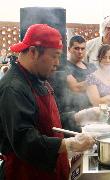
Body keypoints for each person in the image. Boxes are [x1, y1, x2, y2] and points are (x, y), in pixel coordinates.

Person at [0, 24, 95, 180]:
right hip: (25, 173)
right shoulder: (14, 88)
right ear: (33, 52)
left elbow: (49, 123)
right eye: (54, 56)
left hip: (49, 171)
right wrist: (68, 144)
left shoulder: (38, 79)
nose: (58, 62)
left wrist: (78, 116)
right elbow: (25, 140)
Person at [65, 35, 96, 112]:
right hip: (75, 112)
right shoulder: (64, 66)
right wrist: (98, 79)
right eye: (76, 48)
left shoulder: (91, 66)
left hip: (94, 108)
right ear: (69, 49)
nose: (80, 52)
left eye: (82, 49)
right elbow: (75, 88)